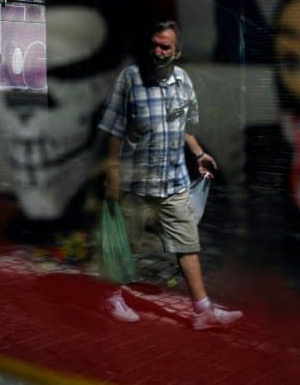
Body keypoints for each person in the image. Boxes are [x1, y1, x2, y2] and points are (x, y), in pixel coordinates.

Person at [97, 20, 243, 330]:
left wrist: (199, 154)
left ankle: (202, 311)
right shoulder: (131, 78)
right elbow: (113, 129)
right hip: (135, 182)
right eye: (154, 45)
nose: (157, 51)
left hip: (173, 181)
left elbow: (186, 130)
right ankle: (111, 297)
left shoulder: (184, 82)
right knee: (128, 244)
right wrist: (112, 170)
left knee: (187, 244)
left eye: (165, 46)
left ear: (177, 53)